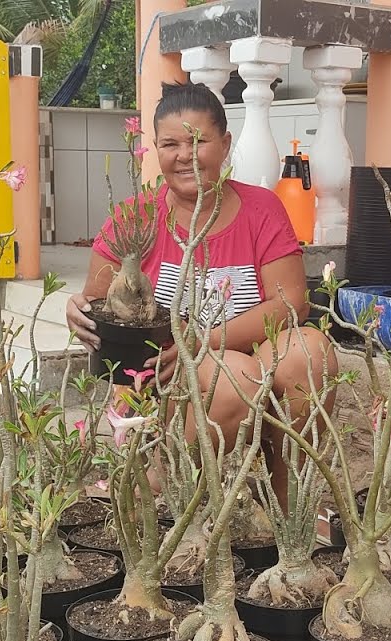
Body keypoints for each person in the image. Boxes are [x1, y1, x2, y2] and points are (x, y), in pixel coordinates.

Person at [64, 82, 336, 510]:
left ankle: (289, 503)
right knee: (233, 378)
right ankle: (169, 493)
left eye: (198, 142)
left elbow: (291, 305)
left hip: (242, 355)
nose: (184, 155)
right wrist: (78, 311)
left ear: (224, 144)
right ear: (156, 149)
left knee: (309, 351)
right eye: (170, 144)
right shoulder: (135, 217)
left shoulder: (262, 209)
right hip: (165, 377)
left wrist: (203, 340)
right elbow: (99, 302)